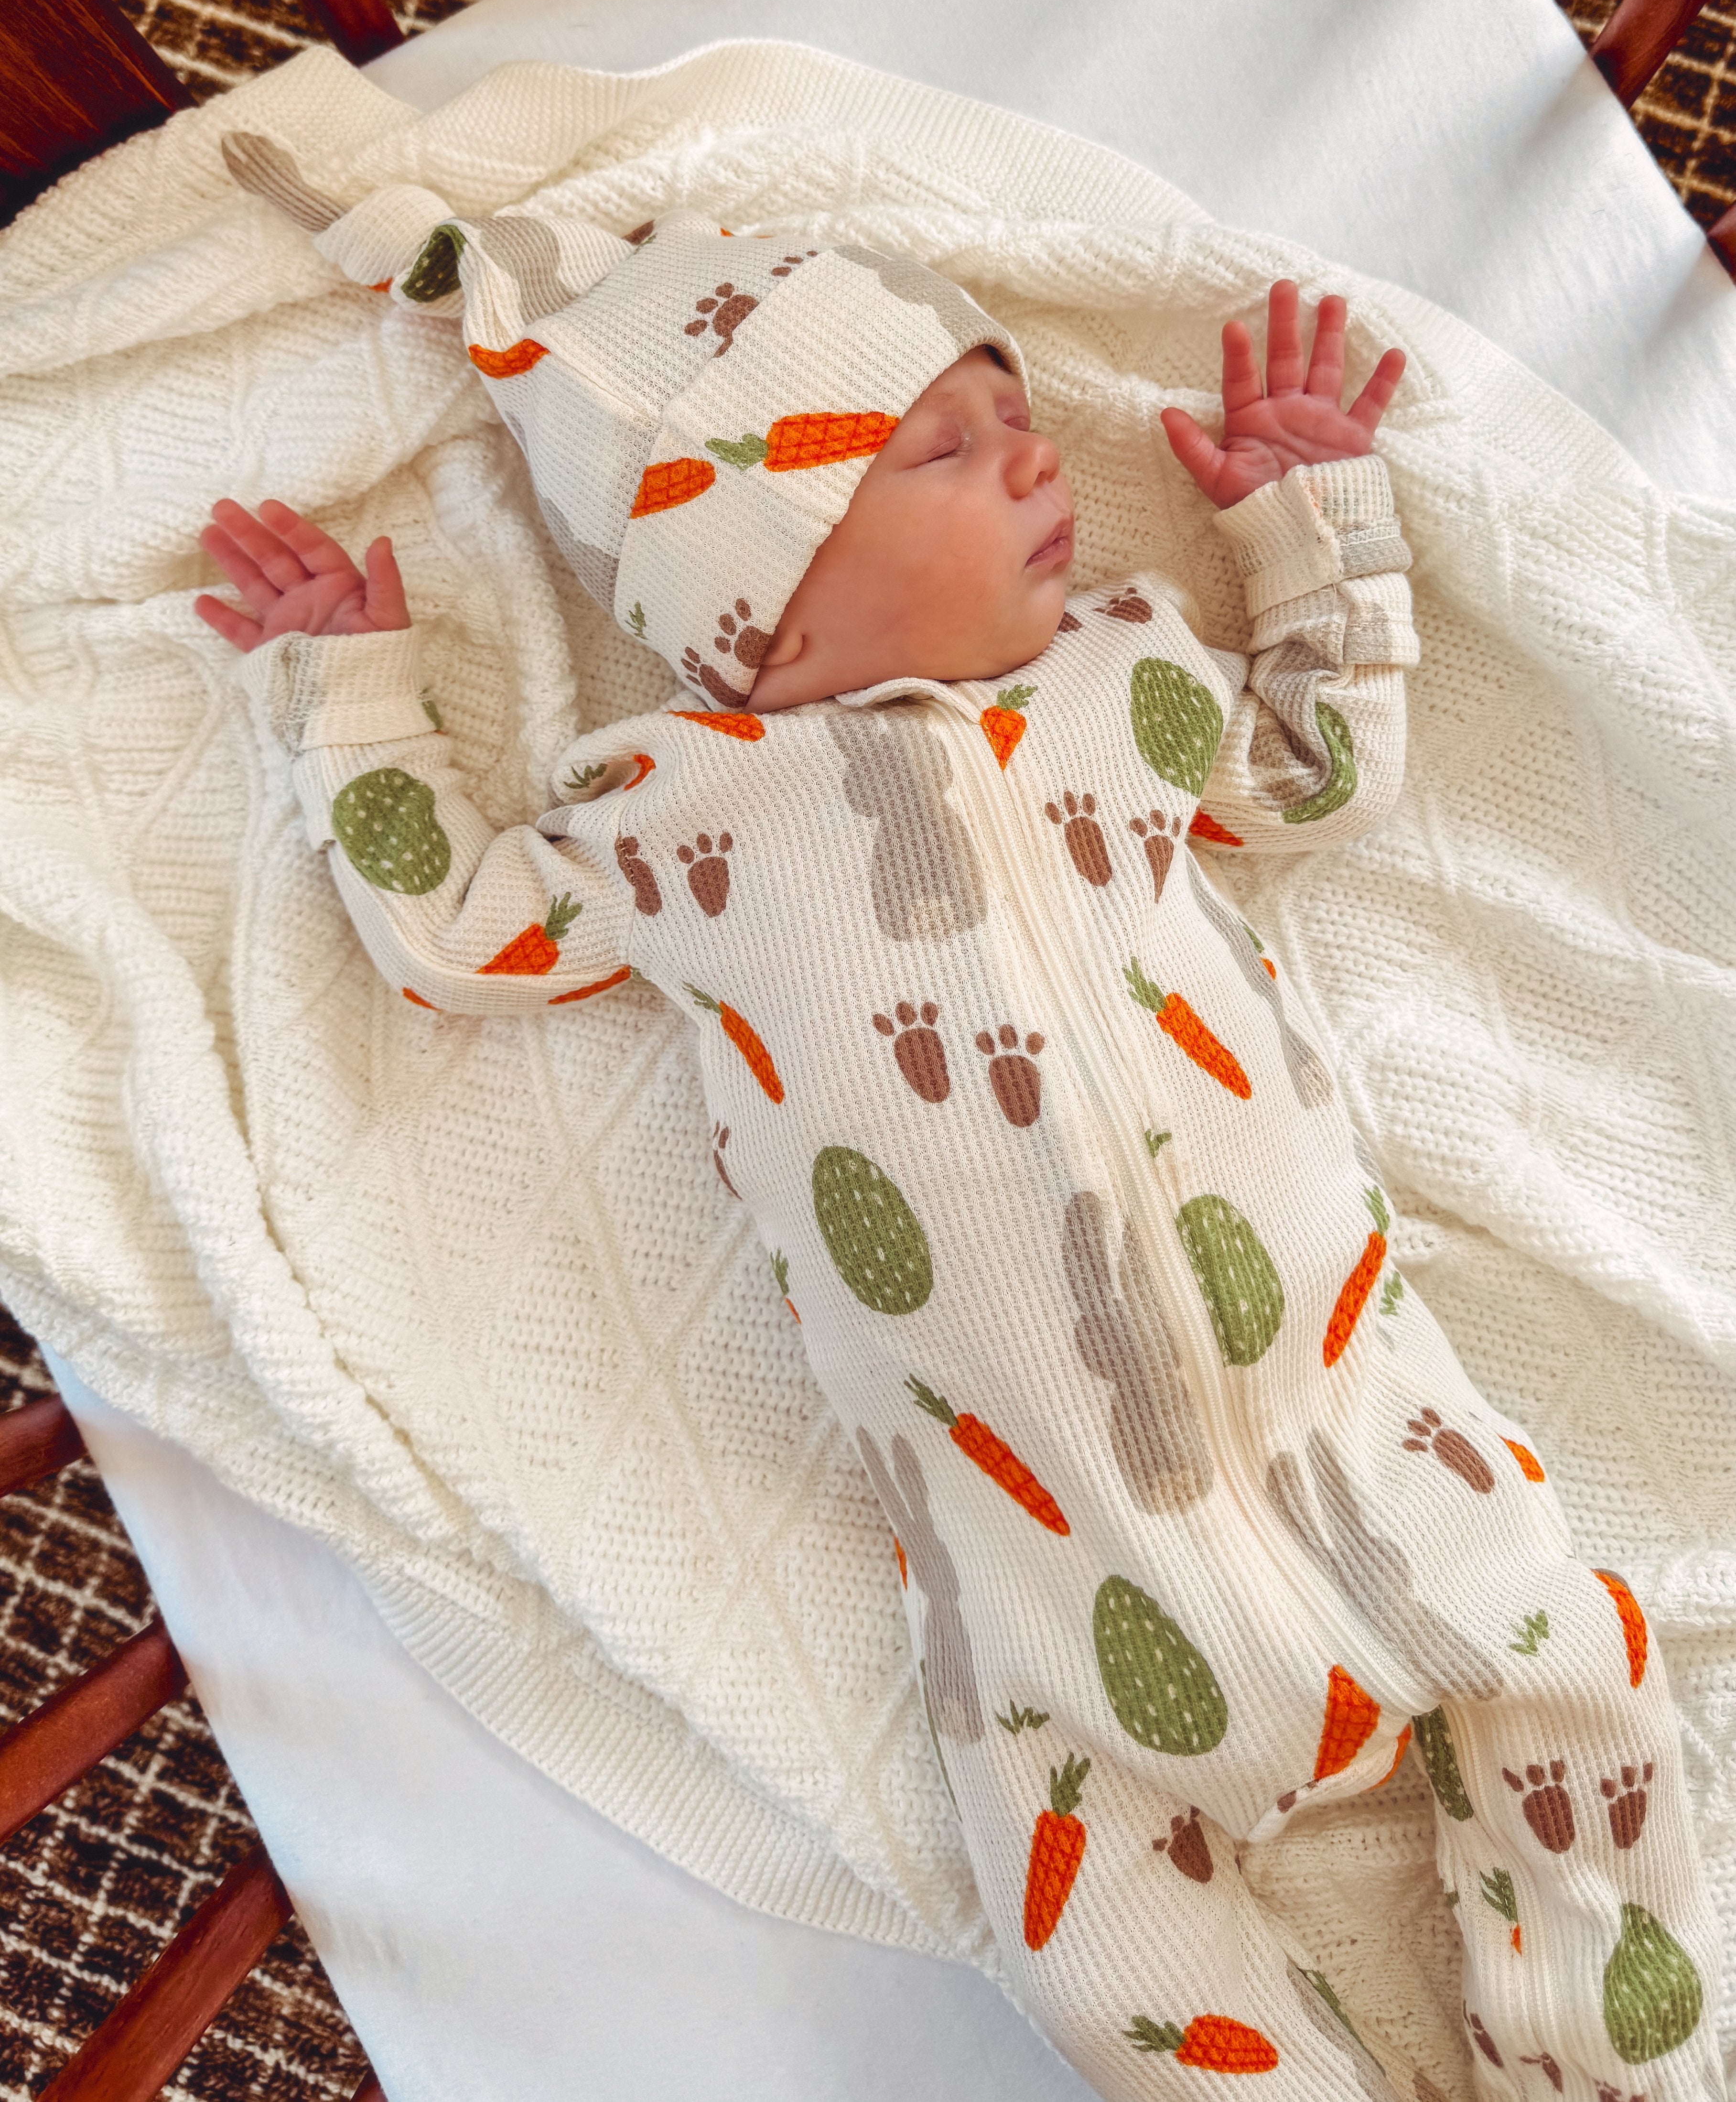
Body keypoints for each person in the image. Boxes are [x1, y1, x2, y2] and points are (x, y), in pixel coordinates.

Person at [197, 195, 1719, 2100]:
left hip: (1379, 1455)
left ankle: (1609, 2076)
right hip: (1053, 1585)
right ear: (757, 586)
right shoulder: (679, 810)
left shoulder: (1121, 675)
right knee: (1095, 1966)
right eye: (941, 440)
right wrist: (354, 702)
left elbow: (1317, 764)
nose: (1031, 451)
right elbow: (463, 935)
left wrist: (1313, 526)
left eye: (1018, 412)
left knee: (1586, 1685)